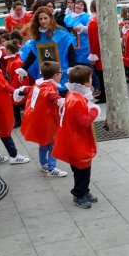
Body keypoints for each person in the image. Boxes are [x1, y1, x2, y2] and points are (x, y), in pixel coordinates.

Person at [53, 65, 100, 209]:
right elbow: (84, 121)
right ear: (85, 82)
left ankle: (84, 191)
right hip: (77, 140)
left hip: (75, 138)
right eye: (90, 77)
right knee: (81, 170)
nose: (92, 79)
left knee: (83, 168)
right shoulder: (77, 99)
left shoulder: (73, 95)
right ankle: (79, 194)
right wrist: (94, 111)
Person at [19, 61, 68, 177]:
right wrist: (63, 102)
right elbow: (53, 97)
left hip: (41, 120)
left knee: (43, 144)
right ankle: (52, 168)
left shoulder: (39, 84)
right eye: (60, 73)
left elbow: (28, 89)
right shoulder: (50, 88)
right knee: (53, 144)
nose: (61, 74)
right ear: (55, 75)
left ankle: (43, 164)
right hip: (49, 122)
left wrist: (21, 90)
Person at [18, 7, 77, 94]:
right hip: (45, 74)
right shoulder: (37, 36)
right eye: (40, 19)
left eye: (45, 18)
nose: (43, 21)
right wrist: (23, 69)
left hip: (62, 74)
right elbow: (32, 55)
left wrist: (72, 69)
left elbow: (70, 52)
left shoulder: (62, 34)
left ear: (50, 18)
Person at [4, 40, 31, 127]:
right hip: (15, 86)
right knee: (20, 104)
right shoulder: (12, 60)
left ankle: (19, 121)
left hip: (18, 87)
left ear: (9, 50)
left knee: (17, 105)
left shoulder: (16, 62)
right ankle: (22, 120)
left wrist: (12, 88)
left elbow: (18, 78)